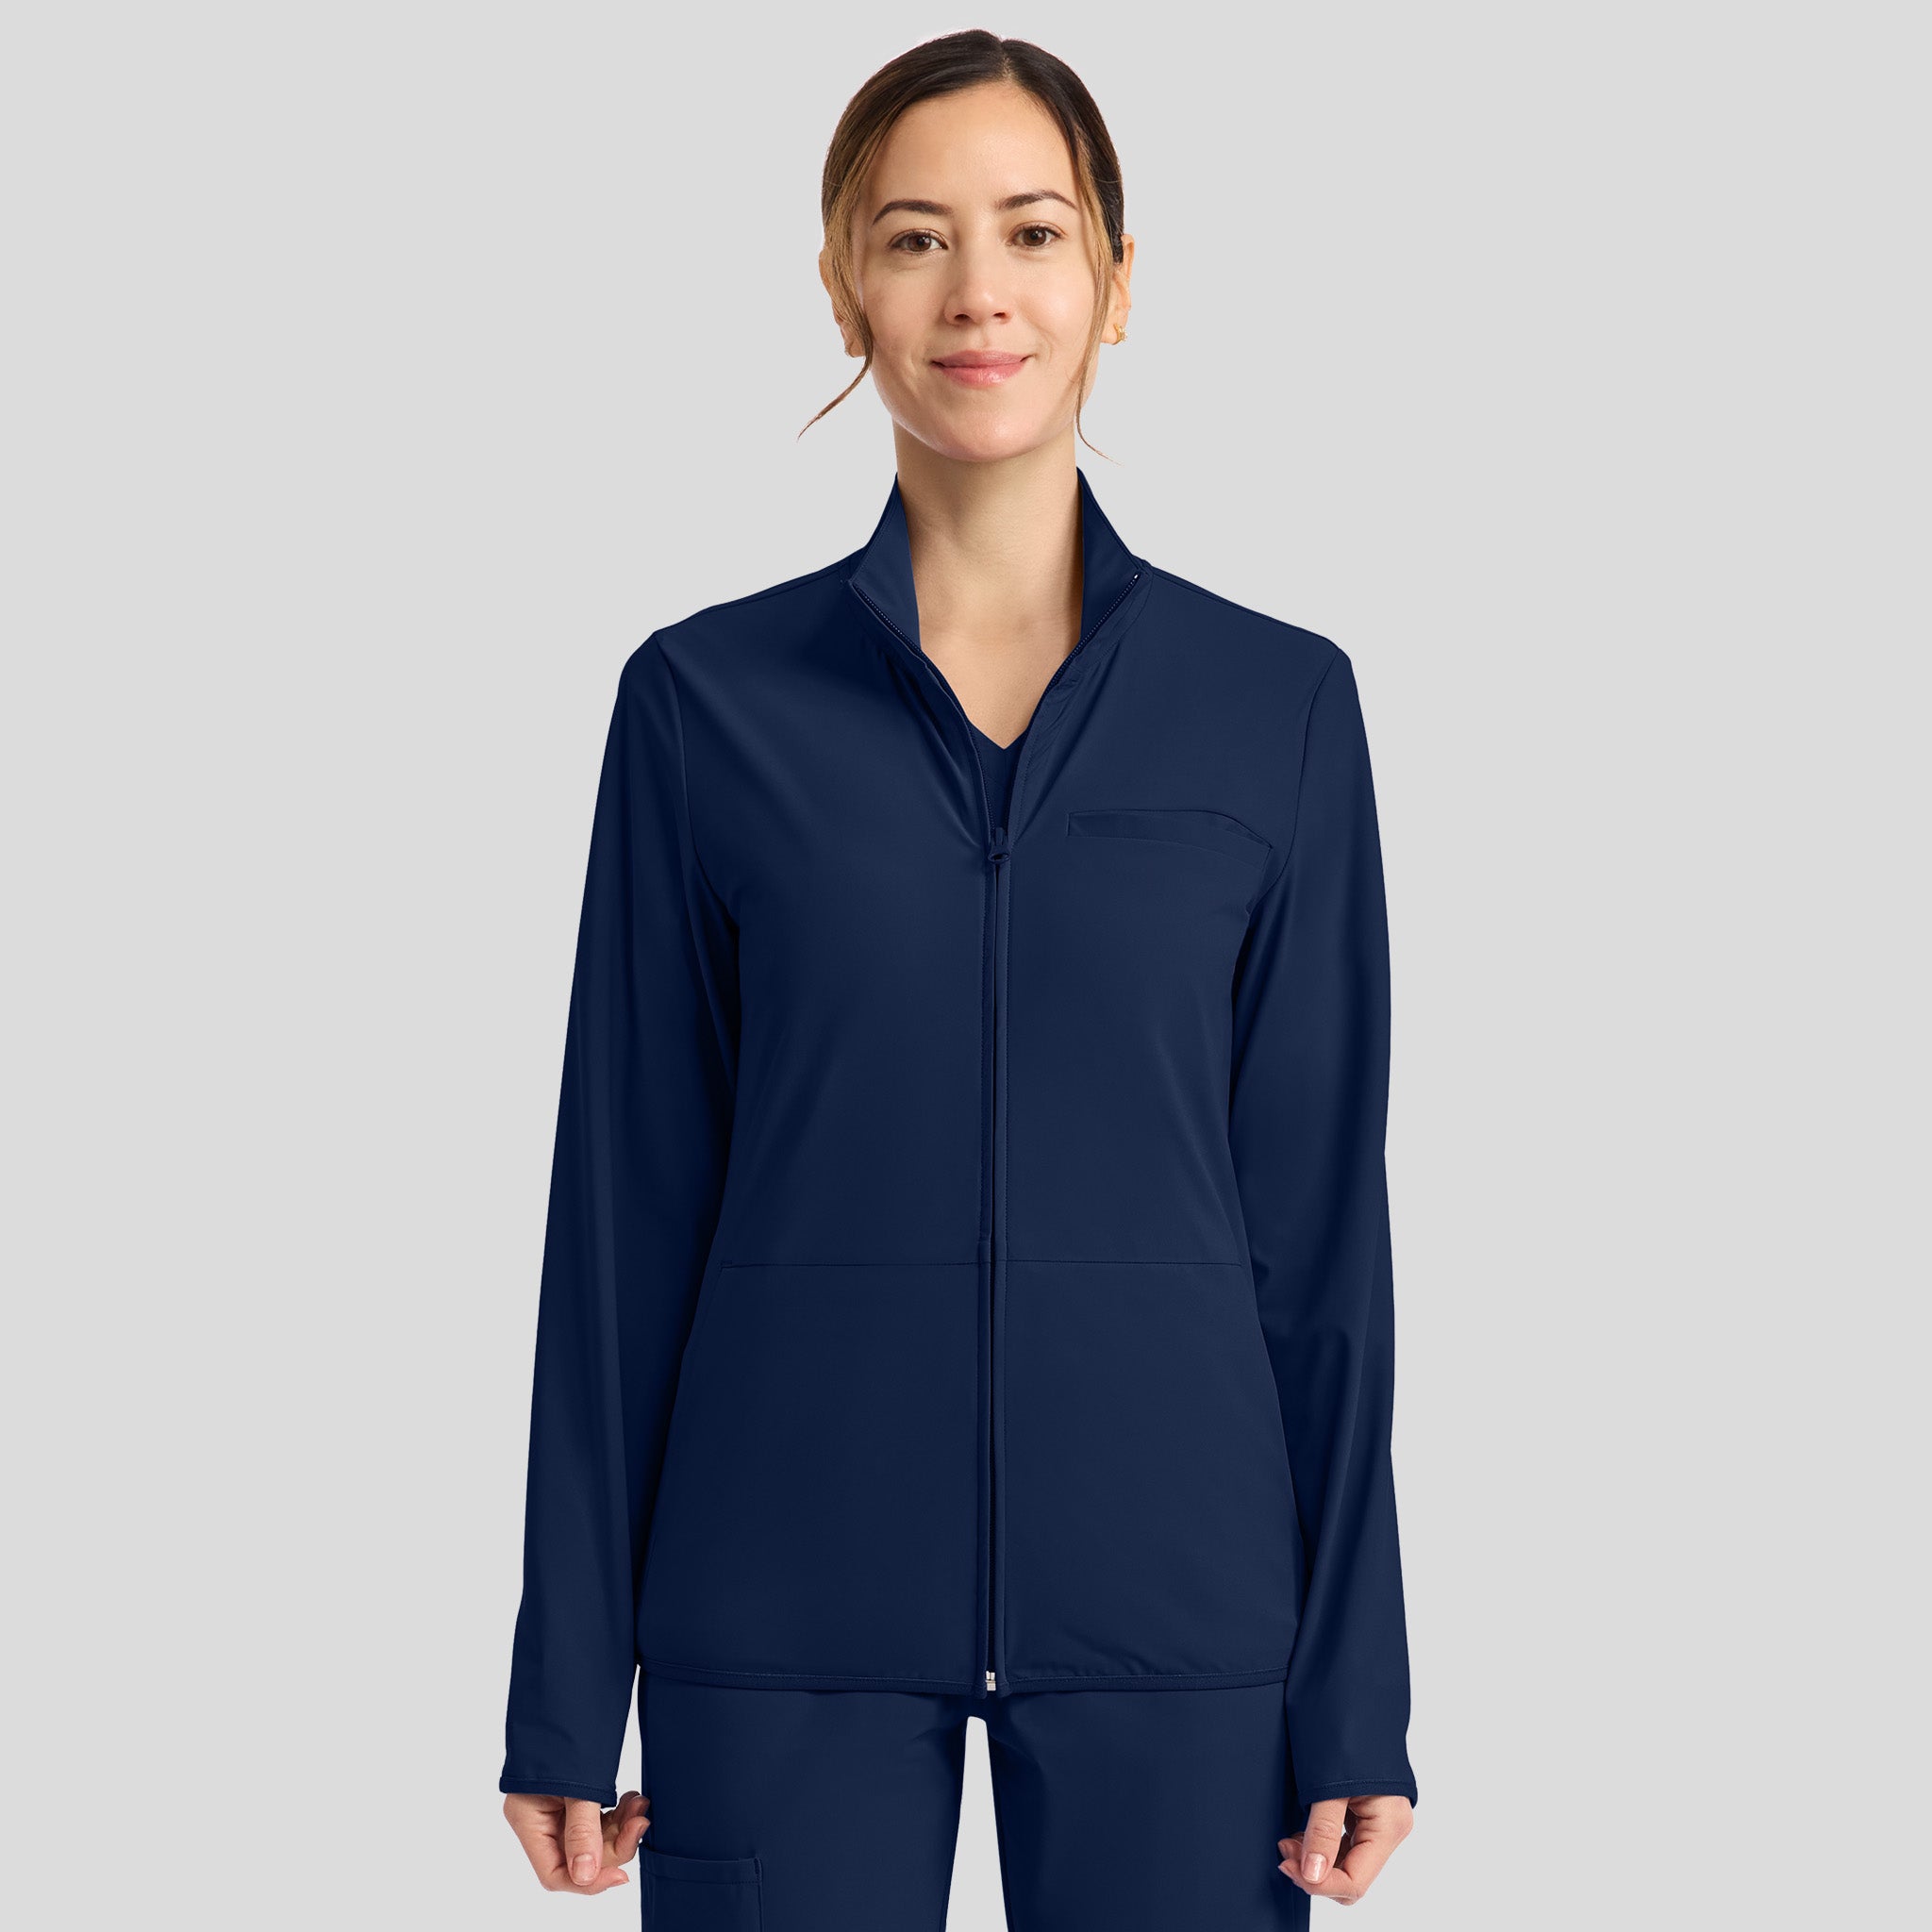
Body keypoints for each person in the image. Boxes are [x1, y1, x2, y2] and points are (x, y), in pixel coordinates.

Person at [498, 29, 1418, 1928]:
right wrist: (566, 1680)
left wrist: (1359, 1691)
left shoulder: (1278, 709)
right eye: (914, 238)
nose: (977, 292)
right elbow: (620, 1220)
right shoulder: (704, 707)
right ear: (845, 289)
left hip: (1184, 1615)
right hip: (778, 1601)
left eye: (1032, 231)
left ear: (1117, 283)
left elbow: (1323, 1241)